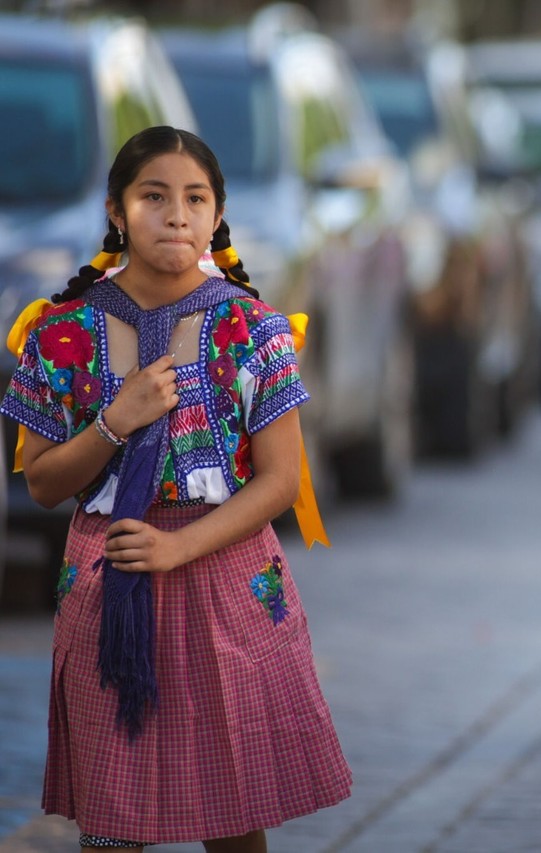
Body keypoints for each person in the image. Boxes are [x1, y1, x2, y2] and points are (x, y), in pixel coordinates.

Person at [0, 126, 351, 851]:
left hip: (227, 581)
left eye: (196, 199)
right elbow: (39, 481)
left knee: (231, 812)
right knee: (112, 815)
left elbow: (282, 480)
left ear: (218, 216)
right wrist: (112, 423)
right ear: (117, 210)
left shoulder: (253, 328)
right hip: (109, 579)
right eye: (153, 196)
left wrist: (177, 545)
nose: (177, 215)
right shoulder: (60, 332)